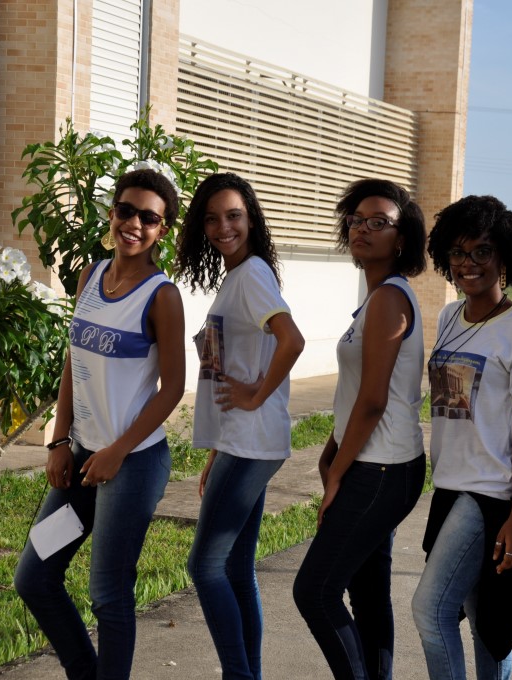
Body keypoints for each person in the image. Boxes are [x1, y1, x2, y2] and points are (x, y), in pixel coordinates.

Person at [15, 168, 186, 679]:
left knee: (109, 594)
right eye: (126, 211)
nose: (134, 224)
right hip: (83, 457)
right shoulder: (90, 276)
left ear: (162, 230)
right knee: (34, 577)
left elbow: (172, 388)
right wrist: (59, 440)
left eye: (149, 218)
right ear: (112, 213)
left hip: (133, 463)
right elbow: (75, 360)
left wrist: (117, 451)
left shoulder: (162, 296)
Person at [412, 195, 512, 680]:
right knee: (484, 619)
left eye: (481, 252)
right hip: (449, 484)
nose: (467, 263)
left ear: (504, 256)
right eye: (457, 252)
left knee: (430, 610)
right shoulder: (450, 316)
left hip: (489, 493)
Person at [293, 178, 428, 680]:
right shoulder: (376, 298)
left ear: (401, 238)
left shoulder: (390, 298)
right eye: (355, 220)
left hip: (382, 468)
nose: (362, 229)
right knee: (367, 592)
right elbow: (357, 395)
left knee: (315, 591)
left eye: (378, 223)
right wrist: (331, 449)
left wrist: (337, 474)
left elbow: (373, 401)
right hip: (377, 463)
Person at [175, 173, 305, 679]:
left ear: (251, 219)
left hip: (251, 442)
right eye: (212, 219)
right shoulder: (241, 276)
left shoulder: (251, 275)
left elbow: (291, 340)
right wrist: (217, 448)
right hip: (243, 442)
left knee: (204, 567)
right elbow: (243, 359)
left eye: (233, 215)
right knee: (234, 567)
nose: (222, 227)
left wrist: (255, 394)